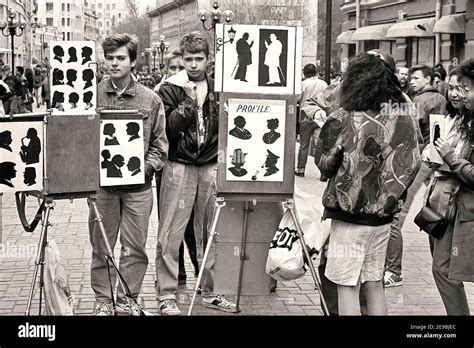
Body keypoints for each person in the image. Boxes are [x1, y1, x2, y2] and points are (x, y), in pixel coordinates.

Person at [314, 52, 421, 315]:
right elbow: (414, 161)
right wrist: (392, 194)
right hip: (383, 216)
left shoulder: (344, 117)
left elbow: (324, 163)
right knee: (374, 283)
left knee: (346, 285)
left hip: (348, 214)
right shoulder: (403, 115)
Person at [156, 31, 237, 315]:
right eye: (188, 59)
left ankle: (210, 290)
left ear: (207, 60)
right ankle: (167, 294)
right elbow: (168, 130)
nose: (192, 65)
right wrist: (189, 103)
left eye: (198, 59)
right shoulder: (169, 88)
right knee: (171, 230)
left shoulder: (218, 87)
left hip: (210, 164)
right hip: (179, 164)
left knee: (211, 229)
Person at [89, 33, 168, 316]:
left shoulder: (151, 99)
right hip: (103, 188)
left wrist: (144, 170)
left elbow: (160, 145)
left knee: (134, 247)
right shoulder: (92, 95)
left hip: (138, 187)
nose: (113, 63)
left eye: (120, 58)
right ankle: (103, 300)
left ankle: (127, 298)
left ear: (133, 61)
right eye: (109, 58)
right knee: (102, 246)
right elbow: (82, 139)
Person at [421, 66, 470, 315]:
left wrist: (450, 157)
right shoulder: (455, 118)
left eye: (462, 88)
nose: (454, 93)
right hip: (441, 203)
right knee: (444, 269)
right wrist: (432, 155)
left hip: (460, 207)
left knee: (443, 269)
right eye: (451, 87)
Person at [154, 47, 199, 288]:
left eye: (182, 68)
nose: (178, 72)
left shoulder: (200, 90)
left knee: (193, 222)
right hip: (170, 163)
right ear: (165, 69)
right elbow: (170, 128)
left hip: (192, 165)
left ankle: (199, 269)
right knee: (170, 222)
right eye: (173, 68)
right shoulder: (161, 92)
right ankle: (176, 271)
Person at [295, 63, 328, 177]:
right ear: (316, 72)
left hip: (305, 115)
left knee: (304, 144)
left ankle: (300, 169)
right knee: (319, 144)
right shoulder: (323, 84)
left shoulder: (303, 84)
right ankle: (323, 172)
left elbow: (297, 98)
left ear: (305, 73)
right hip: (320, 115)